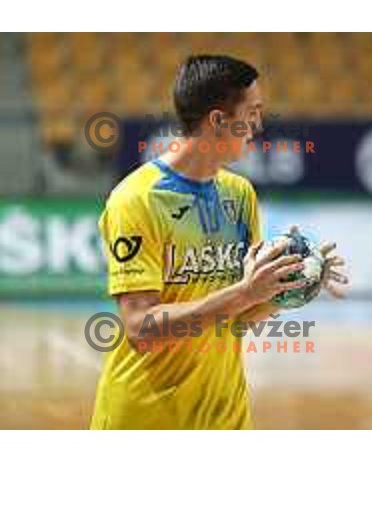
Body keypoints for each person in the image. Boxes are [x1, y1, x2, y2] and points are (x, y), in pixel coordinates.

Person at [91, 55, 347, 429]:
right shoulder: (136, 200)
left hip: (224, 417)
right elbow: (140, 329)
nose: (259, 125)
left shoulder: (240, 194)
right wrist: (246, 292)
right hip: (147, 419)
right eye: (253, 112)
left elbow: (235, 318)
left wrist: (288, 288)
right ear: (217, 120)